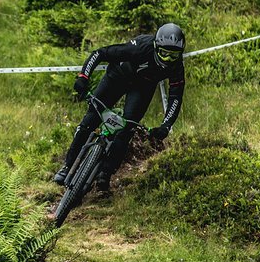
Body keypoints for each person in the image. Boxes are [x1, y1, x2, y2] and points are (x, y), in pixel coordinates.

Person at [52, 23, 186, 191]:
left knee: (127, 128)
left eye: (173, 56)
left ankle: (105, 174)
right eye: (164, 54)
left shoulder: (177, 67)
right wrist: (83, 77)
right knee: (91, 118)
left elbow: (175, 97)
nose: (167, 60)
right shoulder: (140, 48)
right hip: (118, 76)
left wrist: (166, 125)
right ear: (155, 46)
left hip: (142, 87)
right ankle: (67, 166)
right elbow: (100, 53)